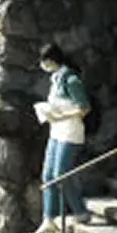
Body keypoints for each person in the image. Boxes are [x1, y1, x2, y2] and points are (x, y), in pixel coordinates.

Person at [37, 43, 92, 222]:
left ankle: (79, 211)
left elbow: (84, 108)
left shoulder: (71, 80)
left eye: (45, 61)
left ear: (52, 61)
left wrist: (62, 116)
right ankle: (49, 218)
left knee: (61, 174)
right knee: (48, 175)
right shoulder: (55, 79)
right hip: (56, 131)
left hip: (70, 132)